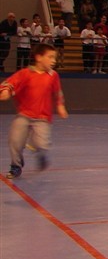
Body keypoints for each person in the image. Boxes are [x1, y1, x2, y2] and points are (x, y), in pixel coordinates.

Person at [1, 44, 68, 179]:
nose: (53, 60)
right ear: (39, 58)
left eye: (54, 58)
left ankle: (41, 154)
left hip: (43, 118)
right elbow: (10, 83)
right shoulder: (25, 73)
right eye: (50, 57)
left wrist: (60, 105)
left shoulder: (53, 75)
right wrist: (6, 91)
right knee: (15, 140)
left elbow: (57, 92)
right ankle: (16, 165)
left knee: (41, 144)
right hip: (24, 115)